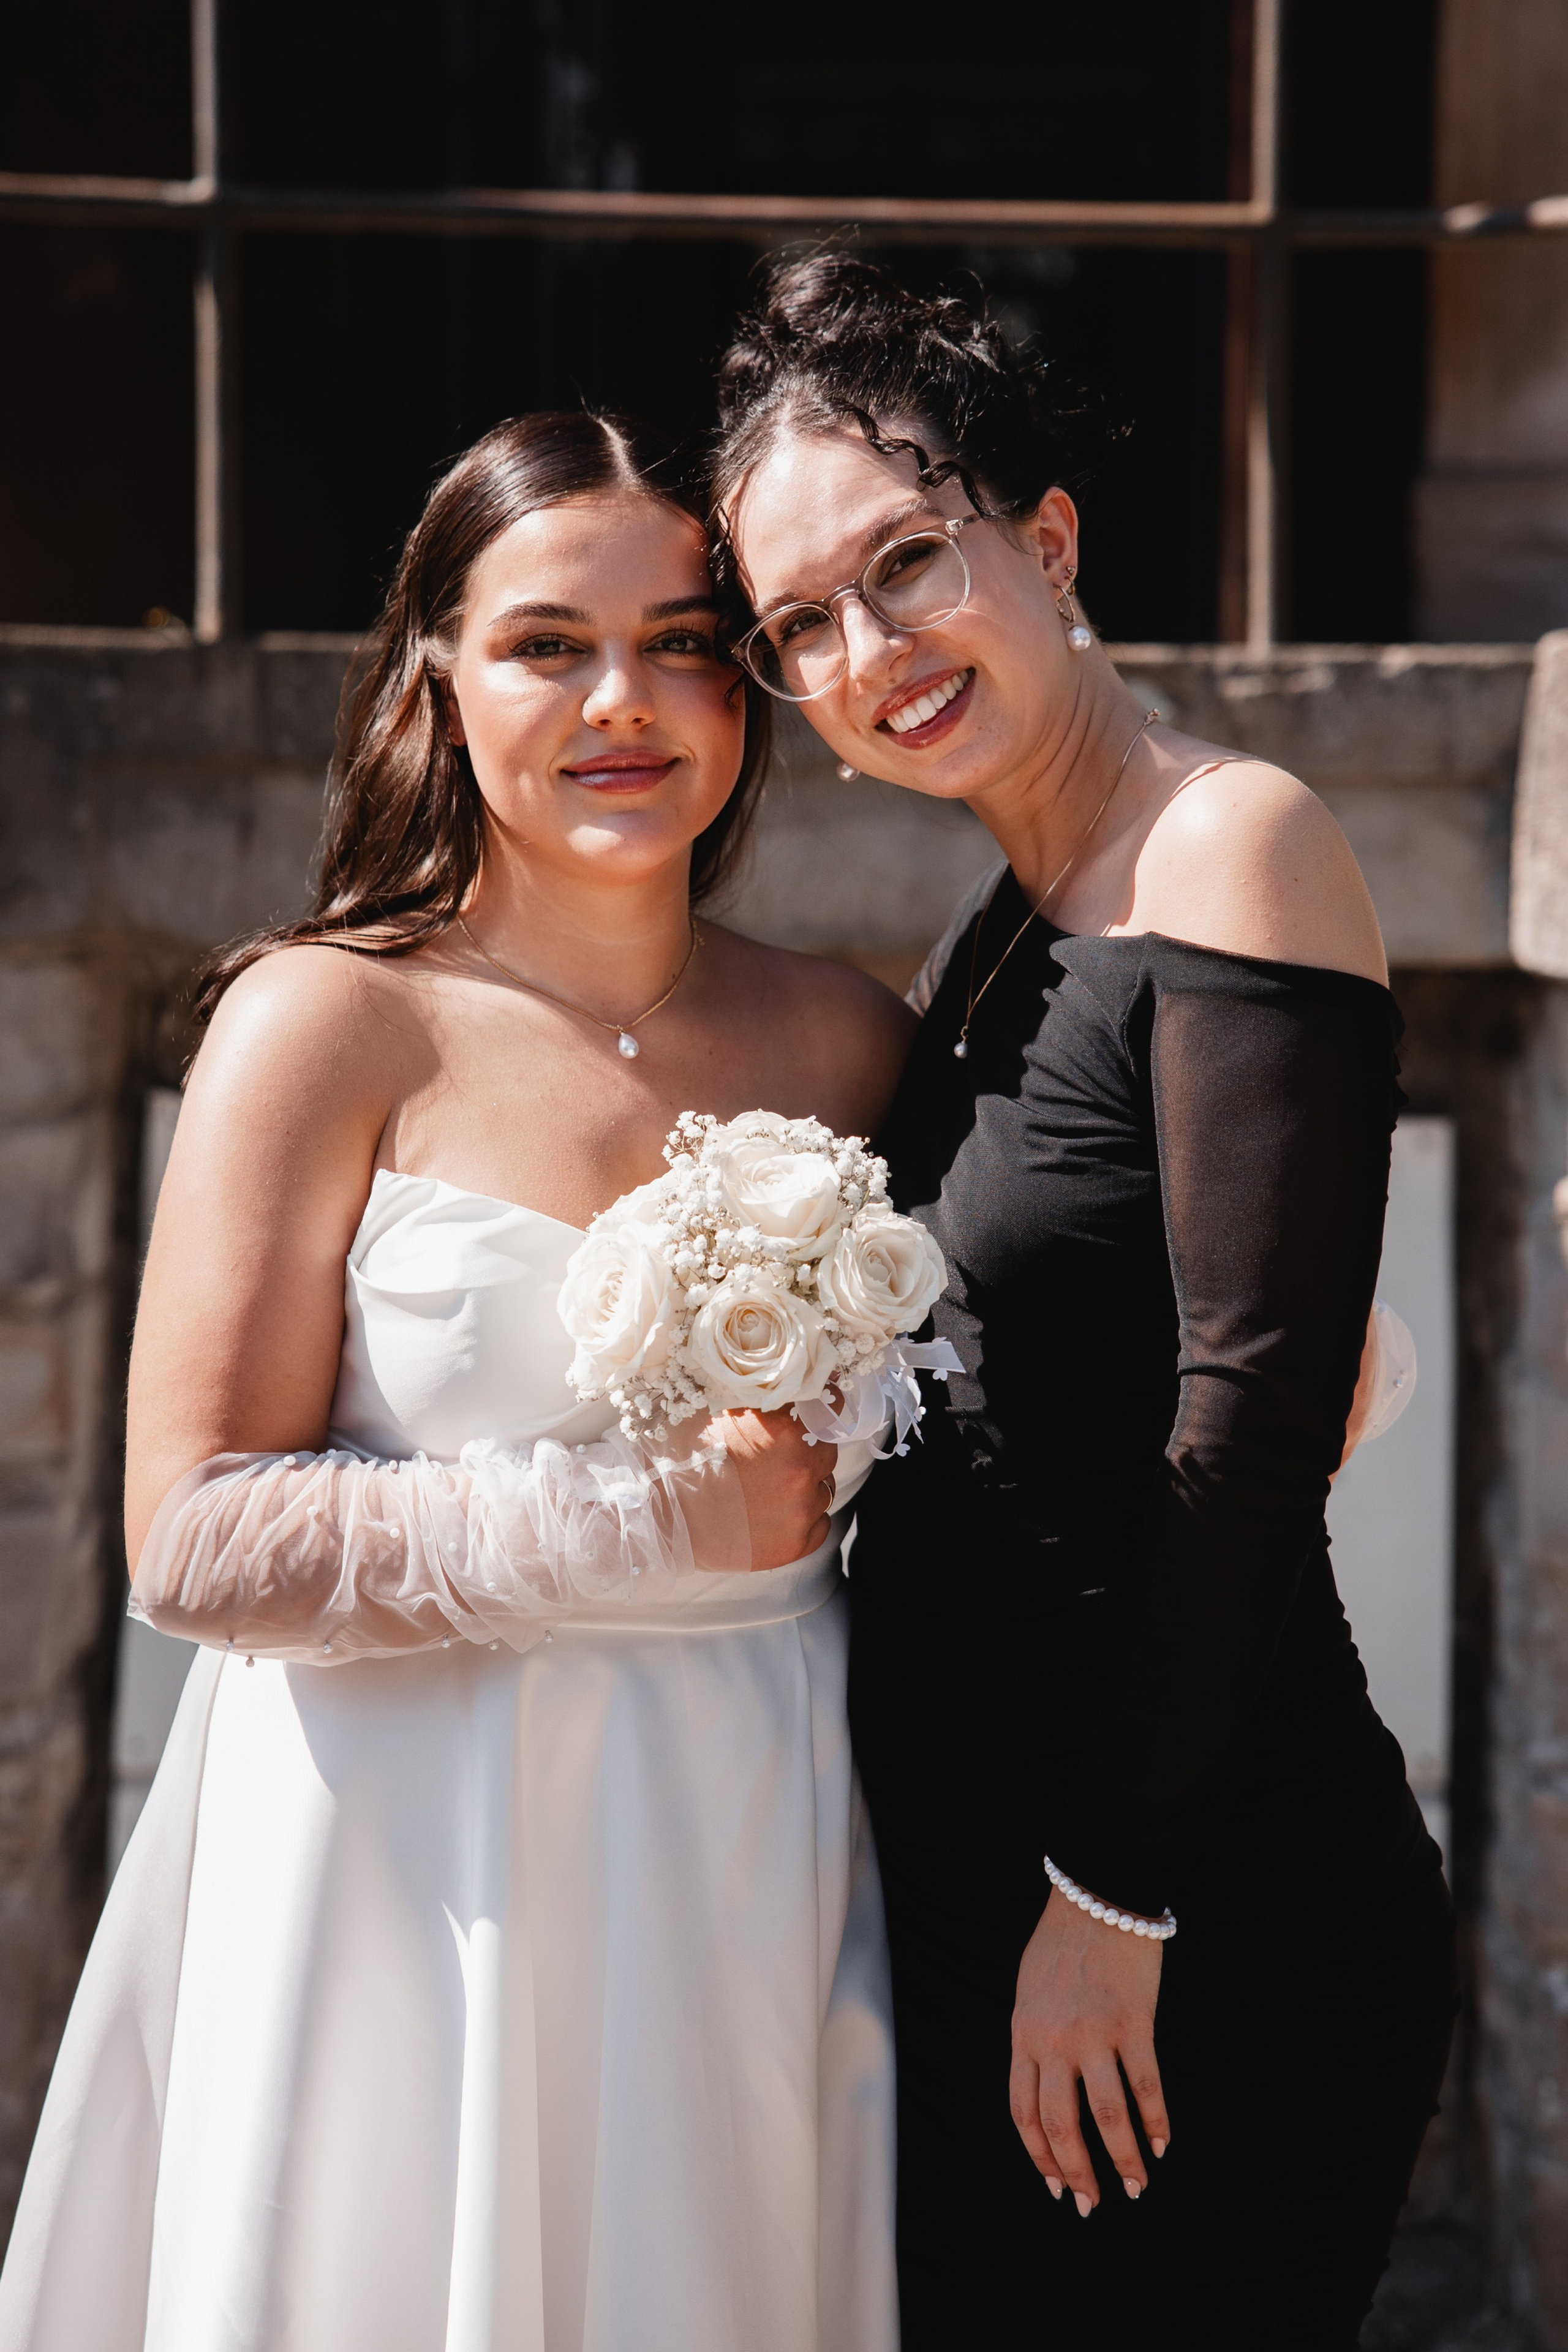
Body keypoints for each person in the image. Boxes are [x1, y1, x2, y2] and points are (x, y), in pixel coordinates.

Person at [0, 411, 914, 2352]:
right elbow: (190, 1538)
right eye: (547, 643)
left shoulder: (851, 1038)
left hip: (737, 1850)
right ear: (439, 673)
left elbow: (1005, 1399)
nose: (625, 701)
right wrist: (654, 1518)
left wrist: (1319, 1361)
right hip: (398, 1870)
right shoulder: (330, 1020)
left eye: (683, 641)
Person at [713, 254, 1457, 2350]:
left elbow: (1251, 1417)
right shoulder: (1005, 925)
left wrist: (1114, 1896)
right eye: (802, 625)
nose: (867, 650)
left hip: (1191, 1924)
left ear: (1044, 545)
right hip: (993, 1909)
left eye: (908, 563)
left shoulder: (1235, 847)